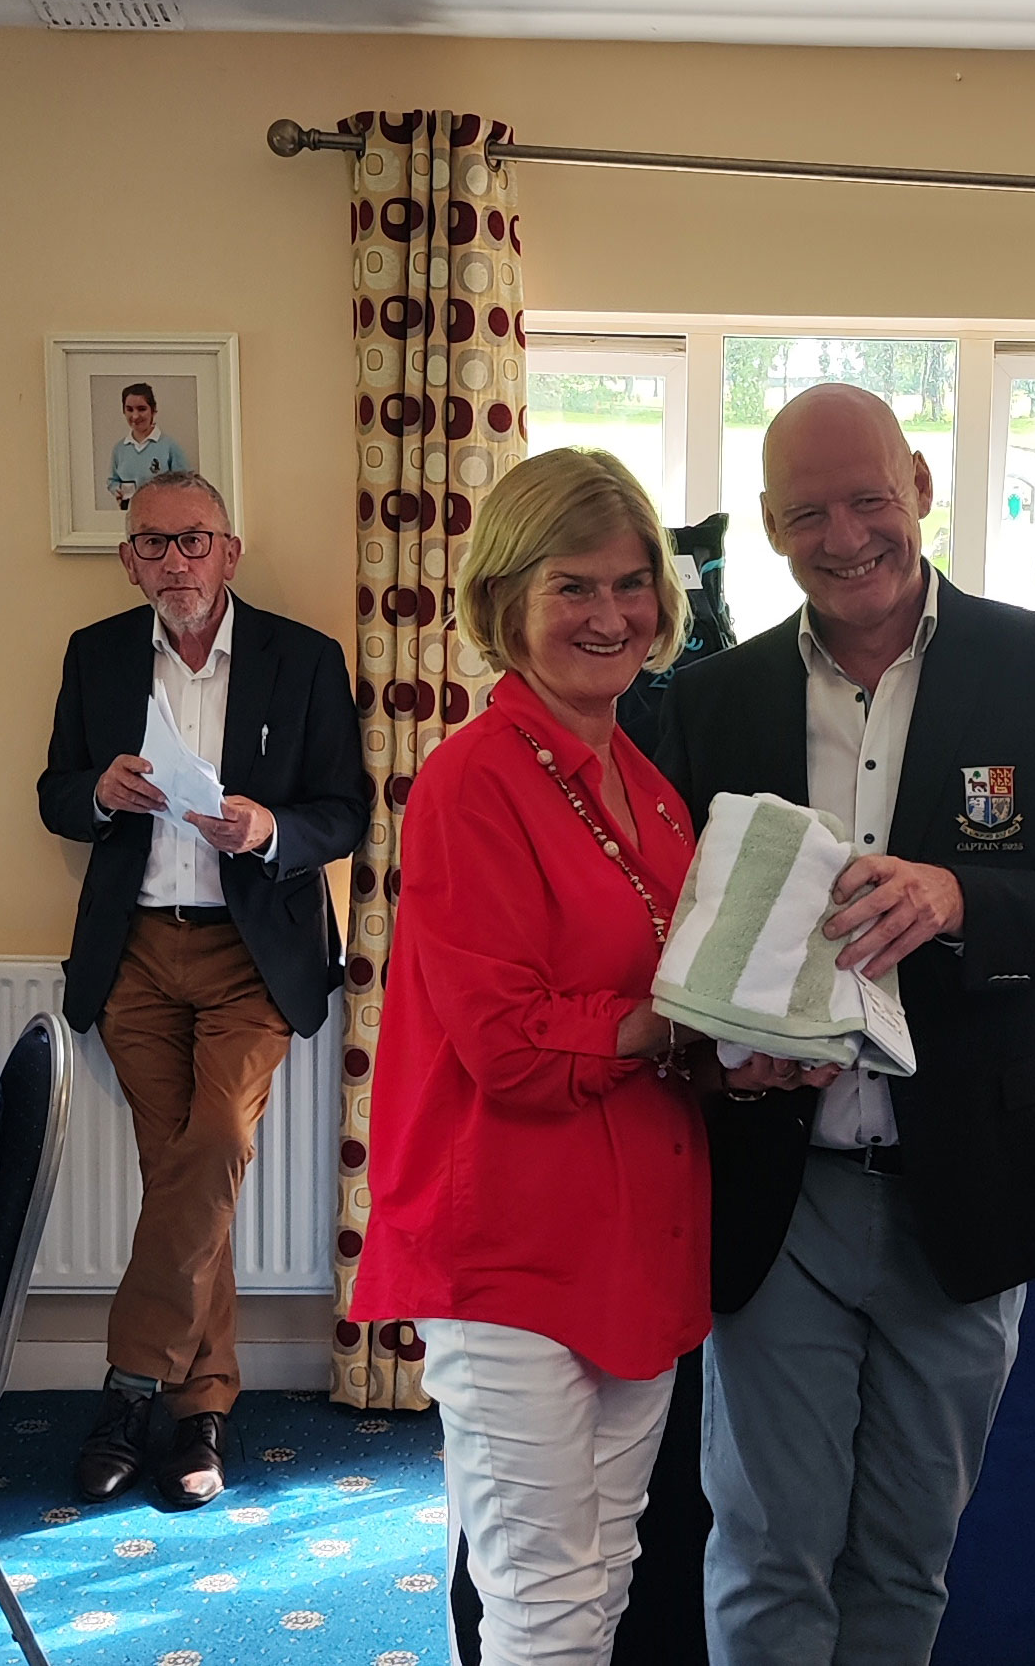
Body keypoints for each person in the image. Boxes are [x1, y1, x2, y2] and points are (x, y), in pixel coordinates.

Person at [657, 384, 1035, 1666]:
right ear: (771, 528)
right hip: (781, 1188)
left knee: (903, 1555)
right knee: (766, 1550)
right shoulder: (706, 702)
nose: (843, 535)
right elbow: (663, 931)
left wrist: (958, 897)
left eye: (868, 498)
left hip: (970, 1183)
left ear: (922, 488)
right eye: (805, 512)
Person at [353, 447, 710, 1665]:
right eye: (574, 587)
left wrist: (751, 1043)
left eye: (630, 584)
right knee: (541, 1599)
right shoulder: (469, 780)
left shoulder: (648, 786)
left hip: (635, 1227)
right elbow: (509, 1045)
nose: (610, 615)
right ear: (507, 598)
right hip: (507, 1237)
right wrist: (683, 1020)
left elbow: (670, 992)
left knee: (600, 1574)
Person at [37, 470, 370, 1507]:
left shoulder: (303, 658)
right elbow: (53, 791)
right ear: (130, 558)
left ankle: (130, 1386)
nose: (171, 563)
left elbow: (344, 808)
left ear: (229, 550)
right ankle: (204, 1413)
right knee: (183, 1174)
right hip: (133, 949)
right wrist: (98, 789)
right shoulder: (97, 654)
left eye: (192, 542)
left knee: (214, 1144)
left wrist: (268, 828)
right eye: (150, 545)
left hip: (249, 951)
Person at [105, 383, 190, 510]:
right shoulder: (119, 449)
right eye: (129, 409)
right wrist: (117, 491)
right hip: (131, 515)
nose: (135, 416)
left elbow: (185, 483)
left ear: (153, 410)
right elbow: (113, 480)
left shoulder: (169, 447)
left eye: (141, 409)